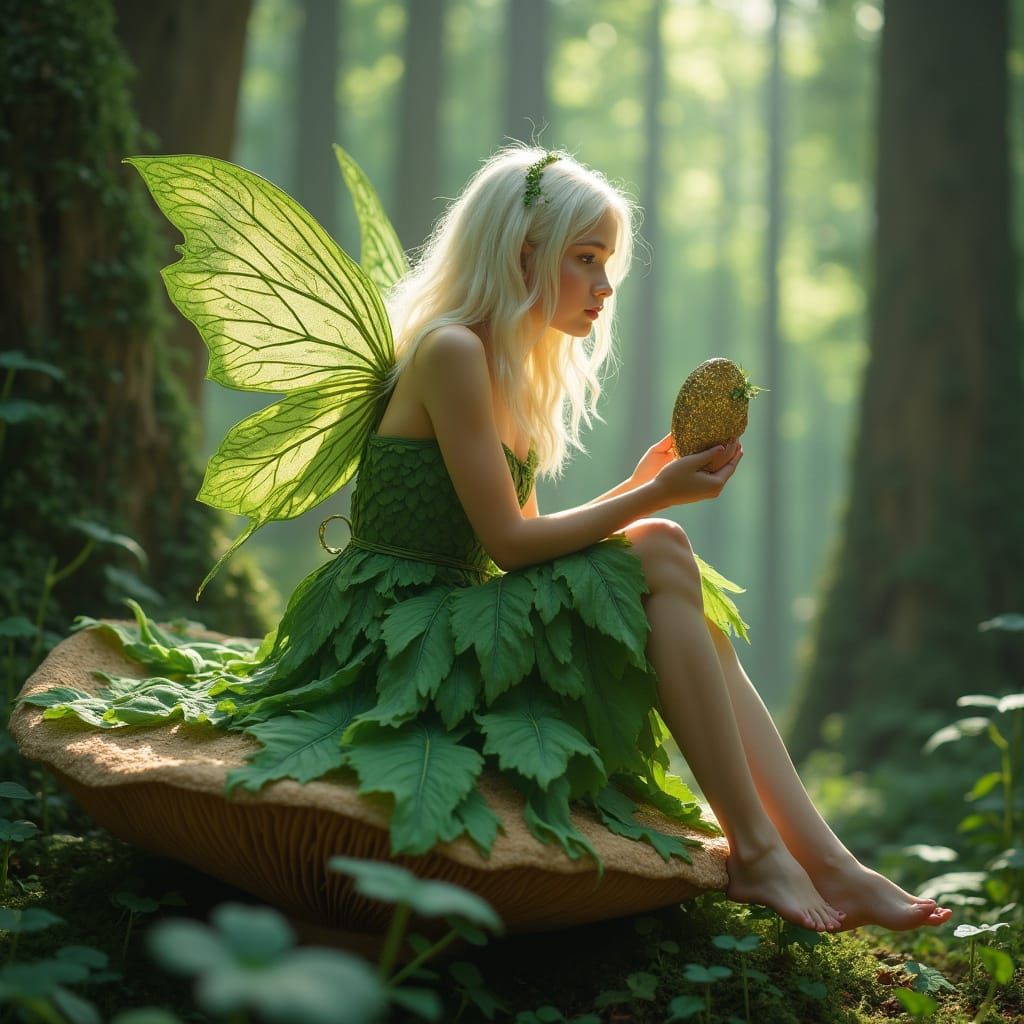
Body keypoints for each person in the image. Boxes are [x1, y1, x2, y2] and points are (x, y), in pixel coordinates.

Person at [20, 144, 951, 935]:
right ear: (521, 250)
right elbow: (510, 546)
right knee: (661, 543)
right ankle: (768, 852)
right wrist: (651, 498)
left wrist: (640, 484)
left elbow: (527, 538)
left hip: (459, 604)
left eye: (608, 263)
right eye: (586, 258)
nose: (603, 284)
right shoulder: (453, 351)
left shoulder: (505, 368)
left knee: (663, 549)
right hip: (396, 624)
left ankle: (819, 858)